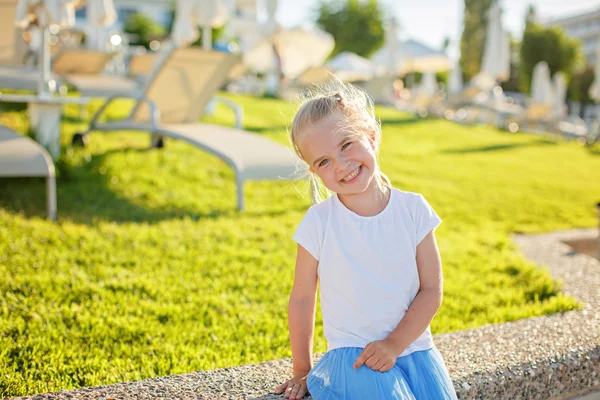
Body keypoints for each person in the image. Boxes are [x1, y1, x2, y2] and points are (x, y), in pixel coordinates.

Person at [274, 80, 457, 400]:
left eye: (346, 145)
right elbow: (302, 300)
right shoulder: (319, 223)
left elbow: (432, 289)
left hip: (415, 351)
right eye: (324, 161)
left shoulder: (413, 210)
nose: (341, 165)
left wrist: (394, 345)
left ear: (372, 137)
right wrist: (302, 370)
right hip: (353, 359)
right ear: (315, 172)